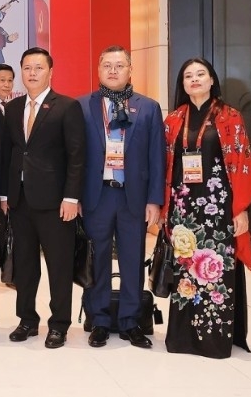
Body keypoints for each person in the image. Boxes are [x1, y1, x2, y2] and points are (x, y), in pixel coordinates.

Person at [161, 58, 251, 359]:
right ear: (182, 83)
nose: (194, 80)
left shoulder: (229, 116)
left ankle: (213, 340)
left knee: (215, 272)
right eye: (188, 76)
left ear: (211, 80)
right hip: (184, 209)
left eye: (200, 74)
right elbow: (167, 166)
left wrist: (240, 209)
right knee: (186, 272)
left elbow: (243, 165)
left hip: (218, 207)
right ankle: (183, 338)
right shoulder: (174, 119)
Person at [78, 46, 165, 349]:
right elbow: (75, 157)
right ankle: (99, 320)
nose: (113, 71)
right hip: (96, 196)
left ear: (130, 70)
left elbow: (157, 157)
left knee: (132, 260)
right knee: (96, 260)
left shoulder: (149, 107)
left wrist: (154, 200)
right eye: (106, 65)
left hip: (134, 198)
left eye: (119, 65)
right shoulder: (82, 105)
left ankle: (130, 321)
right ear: (98, 69)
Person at [0, 47, 85, 349]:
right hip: (20, 200)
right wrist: (4, 194)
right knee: (24, 265)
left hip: (55, 202)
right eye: (26, 68)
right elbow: (9, 153)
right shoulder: (12, 108)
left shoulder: (66, 106)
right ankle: (27, 319)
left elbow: (77, 156)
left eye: (38, 67)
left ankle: (59, 324)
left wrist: (72, 198)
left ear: (50, 71)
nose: (32, 73)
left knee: (59, 266)